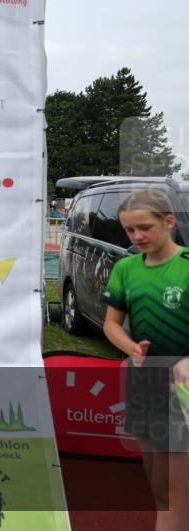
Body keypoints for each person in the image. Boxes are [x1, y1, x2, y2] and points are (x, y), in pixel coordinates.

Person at [102, 189, 188, 531]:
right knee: (155, 478)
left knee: (174, 482)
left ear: (168, 222)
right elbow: (111, 324)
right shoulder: (125, 268)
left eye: (145, 227)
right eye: (129, 230)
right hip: (145, 380)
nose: (137, 236)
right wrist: (132, 348)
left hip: (182, 387)